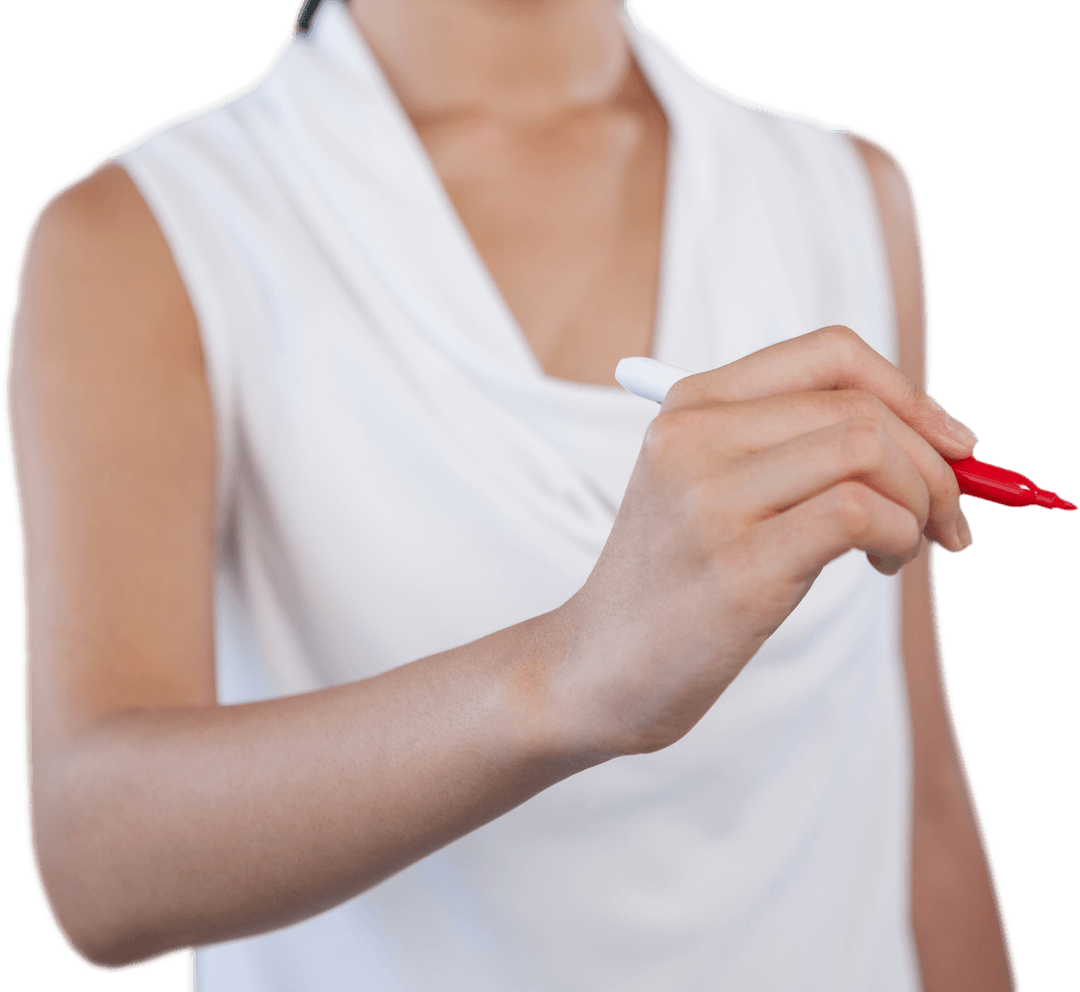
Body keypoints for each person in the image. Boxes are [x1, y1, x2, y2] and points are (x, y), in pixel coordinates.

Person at [4, 0, 1017, 988]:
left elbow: (910, 778)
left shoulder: (845, 192)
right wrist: (570, 672)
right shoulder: (143, 236)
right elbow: (98, 859)